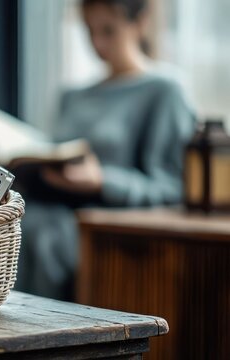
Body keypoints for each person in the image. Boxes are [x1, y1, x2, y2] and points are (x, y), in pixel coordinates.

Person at [14, 0, 195, 300]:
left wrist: (102, 181)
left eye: (108, 30)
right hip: (38, 217)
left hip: (100, 235)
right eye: (89, 31)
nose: (97, 43)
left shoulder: (164, 91)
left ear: (139, 22)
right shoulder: (73, 96)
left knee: (41, 239)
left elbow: (173, 188)